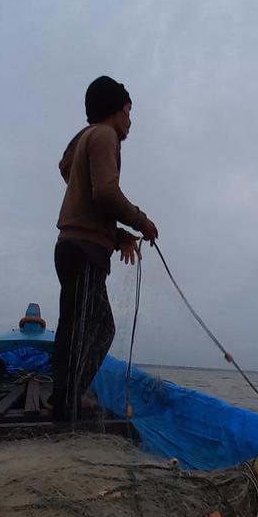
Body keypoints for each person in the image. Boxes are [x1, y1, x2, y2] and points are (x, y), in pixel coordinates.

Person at [50, 76, 159, 422]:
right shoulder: (104, 135)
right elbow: (106, 194)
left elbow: (87, 198)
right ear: (115, 109)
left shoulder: (87, 139)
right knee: (83, 328)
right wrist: (142, 222)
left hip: (81, 247)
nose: (130, 119)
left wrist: (118, 237)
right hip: (81, 250)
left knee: (93, 326)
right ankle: (65, 403)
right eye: (128, 109)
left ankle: (68, 395)